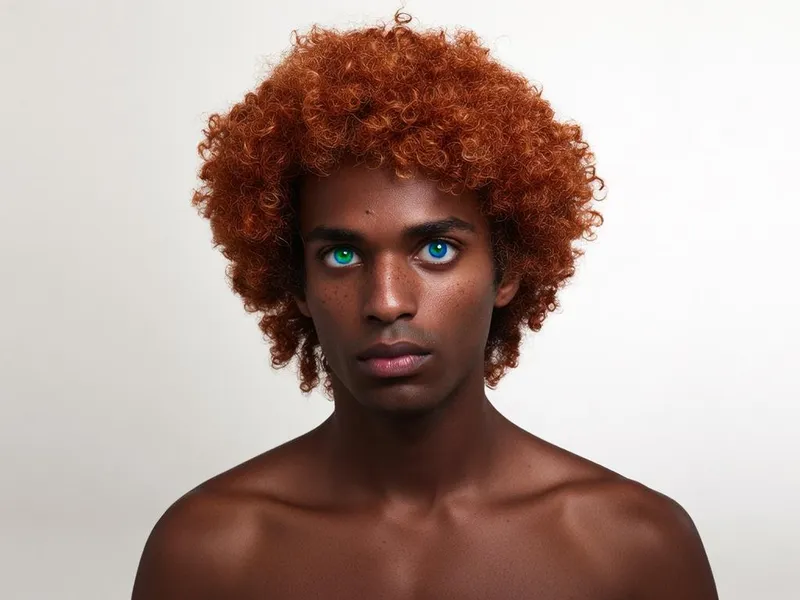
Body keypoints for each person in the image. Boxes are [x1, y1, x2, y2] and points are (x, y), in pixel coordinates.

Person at [132, 13, 718, 599]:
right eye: (341, 256)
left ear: (508, 269)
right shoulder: (208, 554)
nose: (386, 302)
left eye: (437, 249)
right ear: (296, 284)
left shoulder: (633, 550)